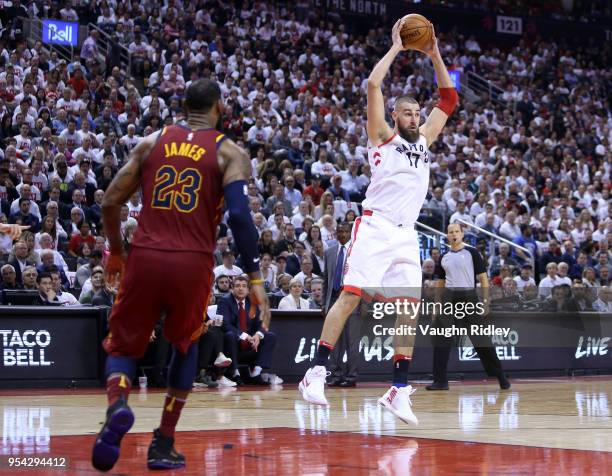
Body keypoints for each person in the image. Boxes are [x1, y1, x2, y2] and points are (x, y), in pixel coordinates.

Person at [91, 79, 270, 472]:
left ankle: (118, 405)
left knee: (122, 347)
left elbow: (109, 201)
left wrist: (117, 252)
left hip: (146, 255)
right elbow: (240, 217)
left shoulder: (152, 141)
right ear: (219, 107)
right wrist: (255, 279)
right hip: (192, 262)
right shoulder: (229, 151)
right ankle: (163, 442)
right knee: (186, 347)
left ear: (183, 105)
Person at [299, 18, 457, 428]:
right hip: (375, 226)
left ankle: (397, 389)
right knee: (350, 297)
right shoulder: (381, 136)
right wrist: (395, 49)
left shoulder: (423, 142)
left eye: (416, 112)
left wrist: (434, 51)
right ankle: (315, 373)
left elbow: (449, 99)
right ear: (394, 115)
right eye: (407, 111)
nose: (413, 116)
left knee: (409, 310)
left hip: (407, 234)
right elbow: (372, 86)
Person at [428, 224, 510, 391]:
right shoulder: (444, 256)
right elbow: (441, 283)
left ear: (462, 234)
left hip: (469, 298)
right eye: (450, 232)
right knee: (441, 339)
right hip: (448, 299)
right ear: (447, 236)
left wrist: (486, 302)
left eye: (456, 231)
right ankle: (440, 381)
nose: (454, 234)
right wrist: (436, 306)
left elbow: (483, 278)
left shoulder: (472, 252)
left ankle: (500, 375)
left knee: (481, 340)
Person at [219, 275, 277, 385]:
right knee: (230, 334)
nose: (240, 288)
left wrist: (257, 335)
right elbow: (224, 324)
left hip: (250, 344)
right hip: (233, 343)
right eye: (237, 286)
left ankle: (256, 372)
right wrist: (245, 336)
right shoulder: (225, 301)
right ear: (232, 289)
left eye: (243, 286)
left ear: (248, 290)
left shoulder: (252, 302)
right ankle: (234, 373)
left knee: (270, 336)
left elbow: (262, 322)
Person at [324, 222, 360, 388]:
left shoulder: (358, 252)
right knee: (334, 341)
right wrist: (325, 305)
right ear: (336, 233)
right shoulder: (329, 251)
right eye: (340, 231)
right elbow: (326, 280)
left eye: (346, 231)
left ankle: (351, 376)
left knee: (351, 342)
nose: (343, 234)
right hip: (333, 301)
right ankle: (336, 375)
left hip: (352, 301)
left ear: (350, 233)